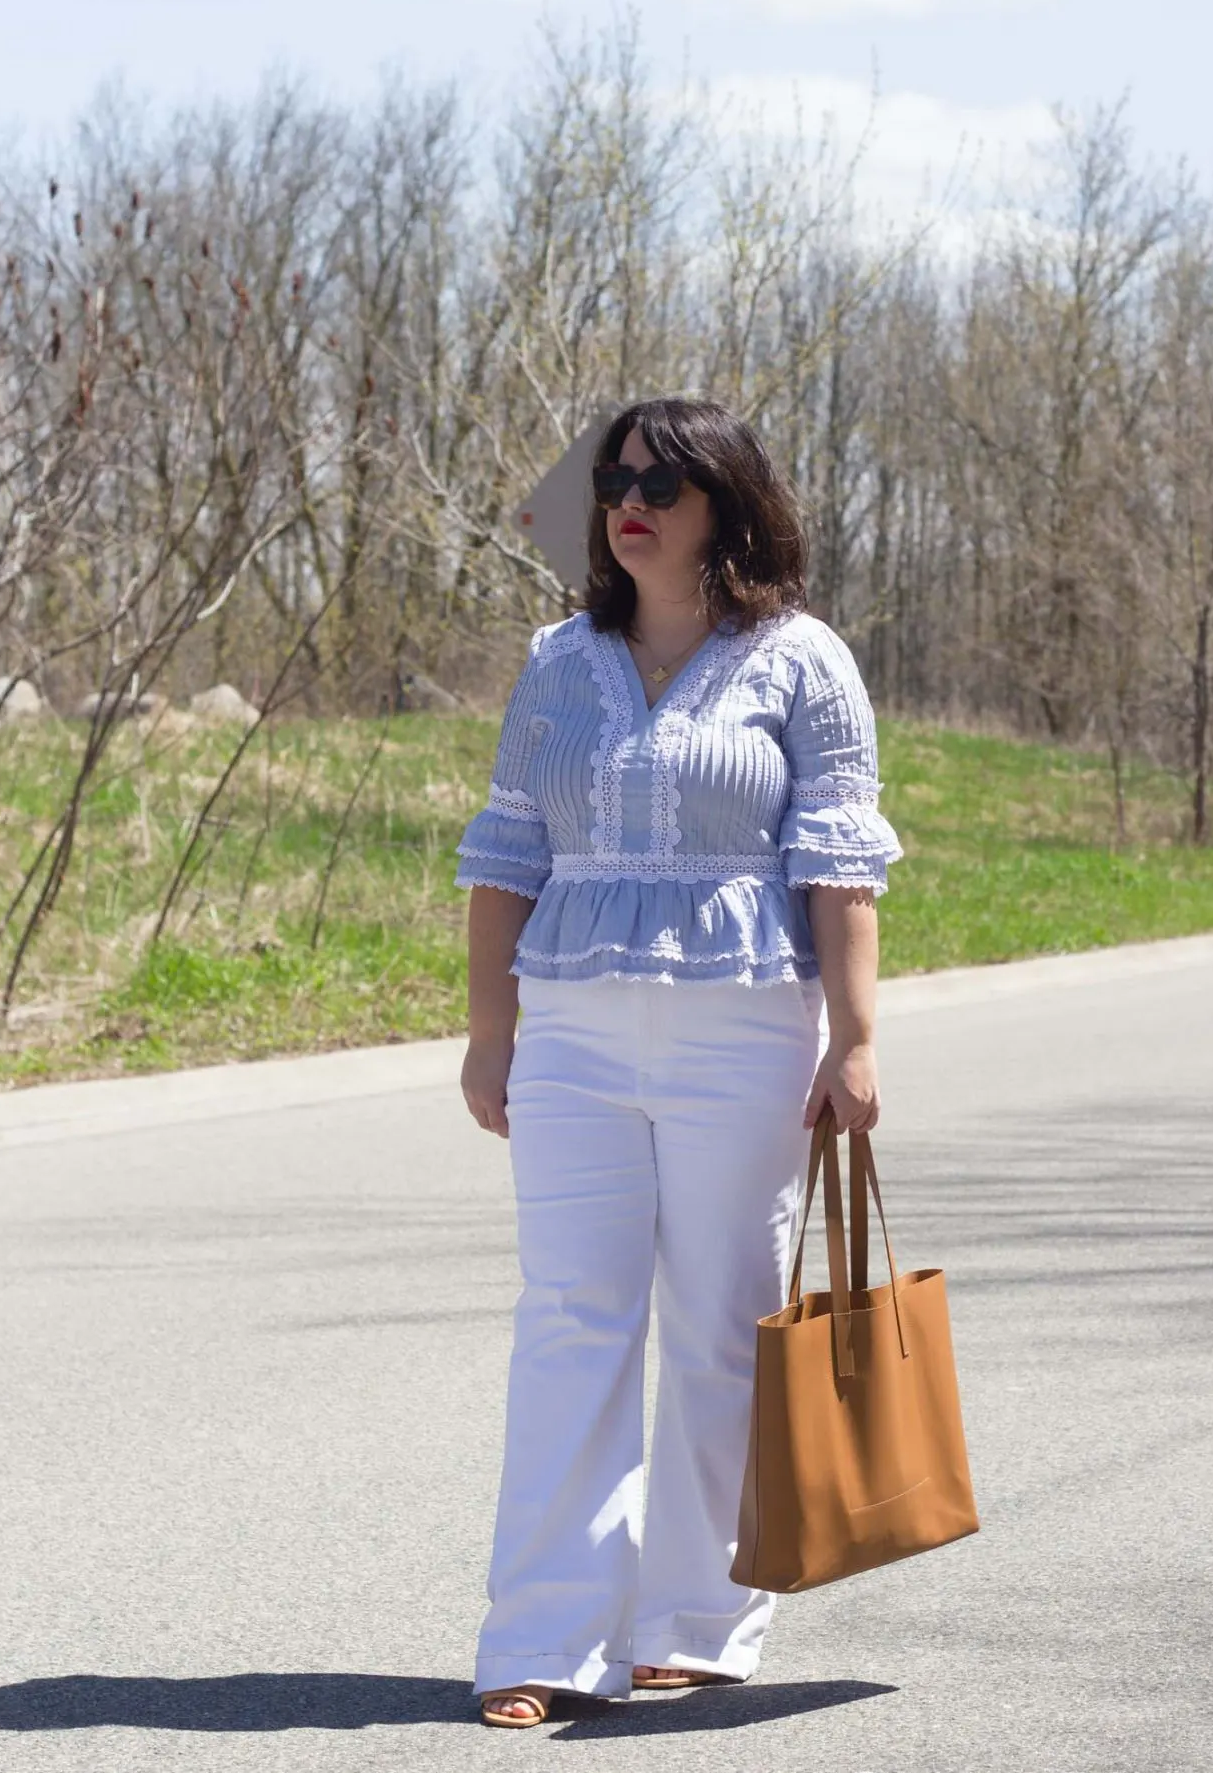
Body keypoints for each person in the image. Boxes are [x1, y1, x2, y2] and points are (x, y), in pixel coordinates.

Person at [457, 396, 902, 1729]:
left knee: (717, 1327)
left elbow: (840, 861)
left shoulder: (802, 659)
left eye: (662, 479)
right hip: (576, 1033)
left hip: (746, 1029)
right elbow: (503, 855)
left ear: (728, 502)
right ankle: (543, 1642)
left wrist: (858, 1037)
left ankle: (697, 1622)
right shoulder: (557, 662)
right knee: (569, 1323)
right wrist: (493, 1033)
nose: (629, 500)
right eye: (614, 481)